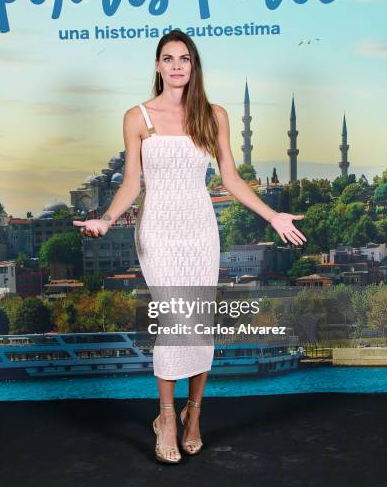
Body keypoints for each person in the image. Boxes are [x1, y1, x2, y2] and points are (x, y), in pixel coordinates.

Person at [73, 30, 307, 464]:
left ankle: (193, 414)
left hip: (200, 230)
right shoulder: (137, 117)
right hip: (158, 231)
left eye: (185, 58)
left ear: (193, 66)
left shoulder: (213, 115)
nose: (177, 65)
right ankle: (165, 417)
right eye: (168, 58)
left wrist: (272, 216)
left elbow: (231, 179)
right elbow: (131, 183)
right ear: (158, 65)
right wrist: (106, 220)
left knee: (199, 324)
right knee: (173, 321)